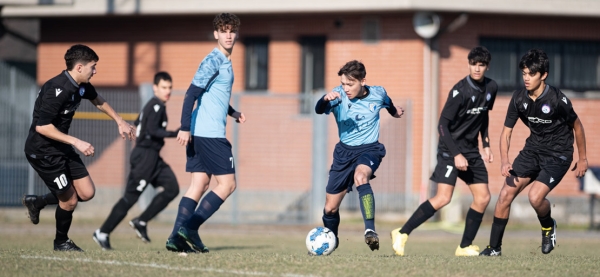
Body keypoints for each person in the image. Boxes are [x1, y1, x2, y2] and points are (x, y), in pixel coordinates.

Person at [21, 44, 136, 251]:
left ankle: (37, 202)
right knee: (70, 200)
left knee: (87, 192)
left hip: (61, 147)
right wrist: (76, 141)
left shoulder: (79, 85)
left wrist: (119, 121)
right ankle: (61, 242)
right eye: (93, 67)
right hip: (43, 151)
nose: (96, 71)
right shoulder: (59, 89)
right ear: (80, 67)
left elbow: (97, 99)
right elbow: (42, 127)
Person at [479, 48, 587, 256]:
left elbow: (578, 126)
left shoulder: (557, 99)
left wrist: (582, 158)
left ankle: (548, 227)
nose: (526, 79)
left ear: (543, 75)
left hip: (559, 153)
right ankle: (494, 249)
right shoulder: (519, 98)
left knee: (535, 197)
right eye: (524, 74)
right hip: (533, 151)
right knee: (504, 195)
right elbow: (506, 133)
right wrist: (504, 161)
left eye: (531, 74)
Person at [391, 46, 498, 256]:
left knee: (483, 197)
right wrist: (456, 154)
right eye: (473, 64)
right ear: (468, 64)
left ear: (487, 66)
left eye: (481, 65)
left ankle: (464, 247)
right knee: (443, 198)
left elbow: (484, 116)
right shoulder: (460, 91)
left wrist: (485, 144)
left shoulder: (491, 87)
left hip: (471, 151)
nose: (477, 68)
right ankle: (402, 233)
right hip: (450, 150)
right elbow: (442, 125)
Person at [165, 12, 245, 253]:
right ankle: (190, 228)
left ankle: (175, 238)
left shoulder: (225, 61)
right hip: (208, 134)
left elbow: (214, 96)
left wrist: (232, 113)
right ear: (216, 34)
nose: (228, 35)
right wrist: (184, 127)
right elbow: (191, 93)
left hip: (202, 132)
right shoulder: (214, 59)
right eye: (224, 31)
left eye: (231, 30)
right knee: (228, 185)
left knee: (198, 184)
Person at [315, 60, 404, 254]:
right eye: (343, 83)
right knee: (330, 209)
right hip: (343, 153)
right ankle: (331, 240)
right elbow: (319, 110)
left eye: (350, 84)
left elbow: (387, 102)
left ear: (363, 81)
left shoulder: (378, 93)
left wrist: (395, 111)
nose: (345, 88)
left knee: (360, 176)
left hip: (370, 149)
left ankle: (370, 230)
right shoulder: (337, 96)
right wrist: (324, 99)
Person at [93, 72, 181, 250]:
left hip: (154, 157)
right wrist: (175, 133)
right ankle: (102, 233)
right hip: (145, 158)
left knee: (172, 188)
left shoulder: (156, 106)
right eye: (164, 87)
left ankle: (141, 221)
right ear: (155, 88)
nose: (168, 91)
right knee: (130, 198)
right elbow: (151, 130)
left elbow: (139, 124)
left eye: (170, 87)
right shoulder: (155, 105)